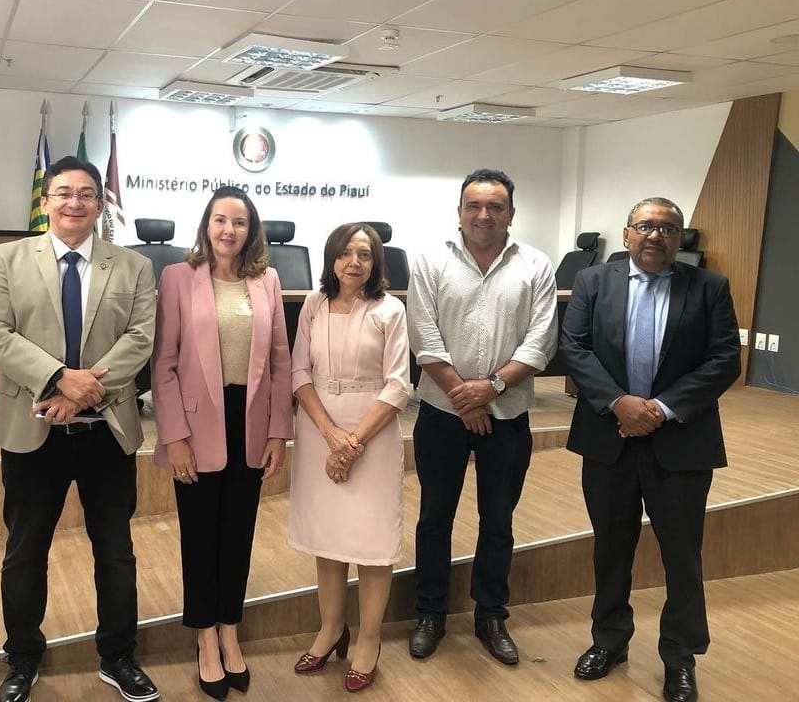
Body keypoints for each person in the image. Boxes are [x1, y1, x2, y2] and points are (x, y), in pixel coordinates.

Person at [0, 156, 158, 702]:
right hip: (33, 430)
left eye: (85, 194)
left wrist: (83, 390)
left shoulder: (133, 266)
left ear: (100, 205)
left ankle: (118, 655)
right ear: (46, 200)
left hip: (107, 431)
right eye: (63, 193)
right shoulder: (4, 259)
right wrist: (58, 378)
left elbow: (140, 338)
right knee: (25, 551)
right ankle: (22, 657)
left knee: (116, 551)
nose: (74, 202)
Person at [561, 197, 740, 702]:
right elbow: (574, 348)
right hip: (608, 439)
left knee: (682, 555)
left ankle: (679, 658)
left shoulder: (709, 287)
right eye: (644, 226)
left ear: (680, 238)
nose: (655, 235)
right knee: (610, 548)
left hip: (681, 442)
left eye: (667, 228)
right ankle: (609, 641)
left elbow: (725, 359)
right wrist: (619, 403)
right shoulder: (593, 282)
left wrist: (659, 409)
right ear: (626, 234)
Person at [406, 168, 557, 666]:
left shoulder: (535, 265)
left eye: (495, 206)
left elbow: (541, 341)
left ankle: (491, 615)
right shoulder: (431, 261)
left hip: (507, 413)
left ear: (511, 213)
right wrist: (464, 398)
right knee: (435, 518)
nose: (484, 215)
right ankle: (430, 613)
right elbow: (423, 337)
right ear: (460, 212)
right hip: (441, 413)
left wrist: (489, 389)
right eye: (474, 205)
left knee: (498, 520)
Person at [151, 185, 293, 699]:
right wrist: (174, 437)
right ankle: (204, 637)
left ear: (251, 230)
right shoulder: (177, 277)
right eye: (220, 220)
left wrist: (279, 431)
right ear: (206, 225)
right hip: (195, 426)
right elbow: (163, 363)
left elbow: (280, 361)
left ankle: (230, 629)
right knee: (199, 536)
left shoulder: (267, 280)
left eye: (239, 221)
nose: (228, 230)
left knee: (238, 534)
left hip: (250, 423)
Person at [288, 222, 411, 693]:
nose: (354, 262)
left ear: (376, 262)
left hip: (372, 430)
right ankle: (330, 629)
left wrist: (352, 442)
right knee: (329, 537)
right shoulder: (314, 305)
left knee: (371, 540)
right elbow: (300, 372)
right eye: (345, 253)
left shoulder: (389, 309)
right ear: (332, 258)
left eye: (364, 254)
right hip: (319, 427)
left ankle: (369, 639)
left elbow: (398, 384)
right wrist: (330, 435)